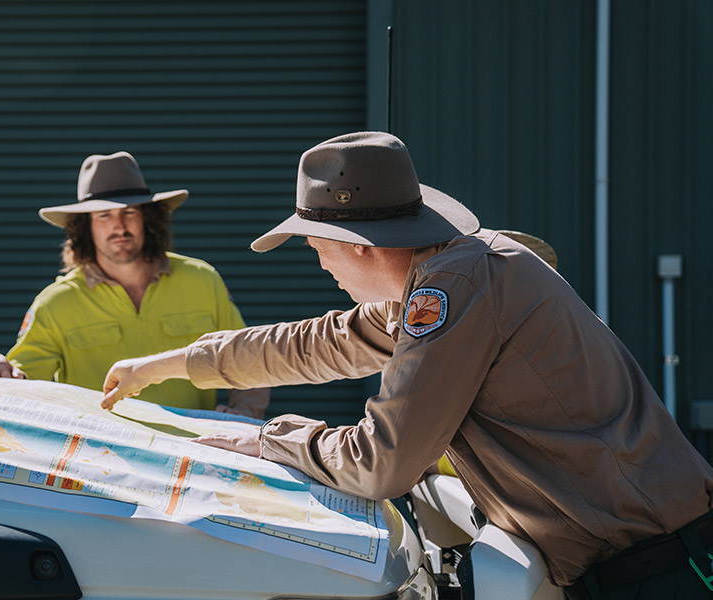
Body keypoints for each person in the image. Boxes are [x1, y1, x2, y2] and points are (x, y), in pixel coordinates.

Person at [100, 132, 713, 598]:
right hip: (632, 559)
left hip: (654, 570)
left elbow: (382, 463)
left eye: (316, 247)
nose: (320, 267)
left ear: (357, 243)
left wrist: (272, 439)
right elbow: (312, 343)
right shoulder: (446, 275)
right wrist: (168, 363)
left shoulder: (451, 289)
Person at [0, 151, 268, 418]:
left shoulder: (203, 279)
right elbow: (22, 383)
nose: (119, 226)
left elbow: (247, 358)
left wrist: (243, 413)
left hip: (195, 455)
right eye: (104, 215)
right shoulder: (55, 303)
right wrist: (0, 372)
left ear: (148, 219)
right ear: (84, 228)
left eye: (129, 212)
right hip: (96, 461)